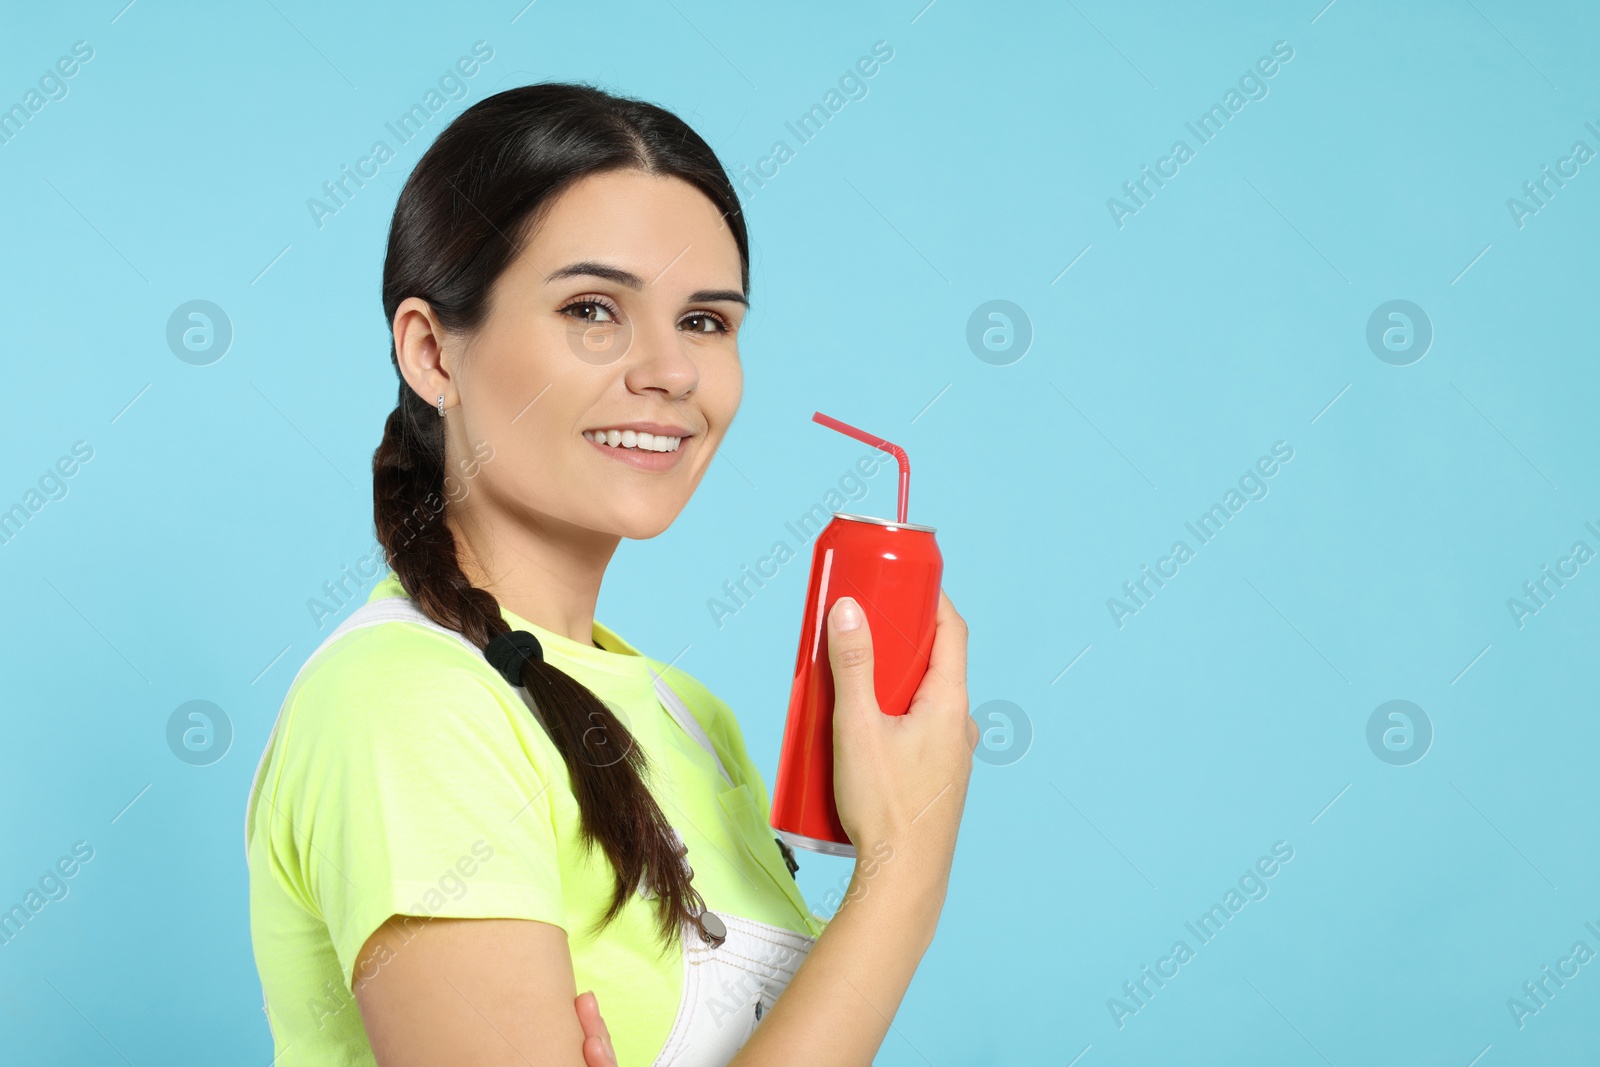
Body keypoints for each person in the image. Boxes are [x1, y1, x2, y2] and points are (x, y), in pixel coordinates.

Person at [244, 80, 977, 1067]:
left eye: (707, 321)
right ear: (431, 352)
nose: (671, 370)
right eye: (593, 308)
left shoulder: (691, 720)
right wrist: (904, 868)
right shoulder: (408, 706)